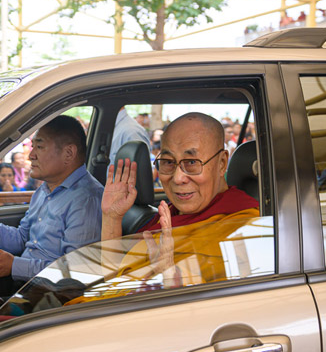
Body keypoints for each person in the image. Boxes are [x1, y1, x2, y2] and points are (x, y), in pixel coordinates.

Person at [0, 115, 104, 326]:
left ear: (68, 153)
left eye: (39, 146)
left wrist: (15, 266)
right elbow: (21, 239)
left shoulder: (87, 199)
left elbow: (73, 274)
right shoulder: (44, 190)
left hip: (45, 296)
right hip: (22, 280)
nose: (31, 155)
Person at [87, 112, 259, 301]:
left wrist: (170, 282)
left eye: (192, 162)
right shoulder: (169, 216)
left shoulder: (242, 228)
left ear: (222, 163)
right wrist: (112, 217)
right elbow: (114, 282)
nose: (177, 178)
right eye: (168, 162)